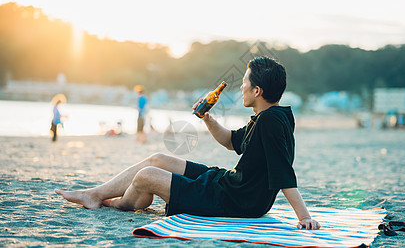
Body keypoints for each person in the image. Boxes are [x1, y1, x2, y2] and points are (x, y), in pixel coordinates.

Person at [54, 57, 320, 230]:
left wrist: (303, 216)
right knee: (158, 159)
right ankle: (98, 194)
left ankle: (116, 202)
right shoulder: (268, 117)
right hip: (230, 185)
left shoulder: (270, 121)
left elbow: (282, 171)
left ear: (257, 91)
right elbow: (231, 141)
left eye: (244, 83)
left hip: (237, 200)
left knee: (147, 176)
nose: (241, 88)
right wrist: (207, 118)